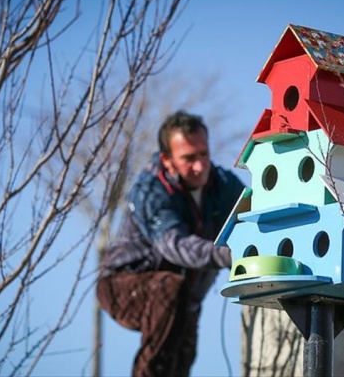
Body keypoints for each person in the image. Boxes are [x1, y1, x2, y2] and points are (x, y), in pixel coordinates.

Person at [97, 110, 245, 377]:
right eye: (189, 158)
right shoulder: (151, 190)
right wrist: (232, 256)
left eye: (204, 154)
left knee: (182, 361)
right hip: (123, 285)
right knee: (167, 296)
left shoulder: (223, 186)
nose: (200, 166)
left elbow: (254, 216)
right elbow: (174, 245)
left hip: (185, 295)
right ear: (167, 159)